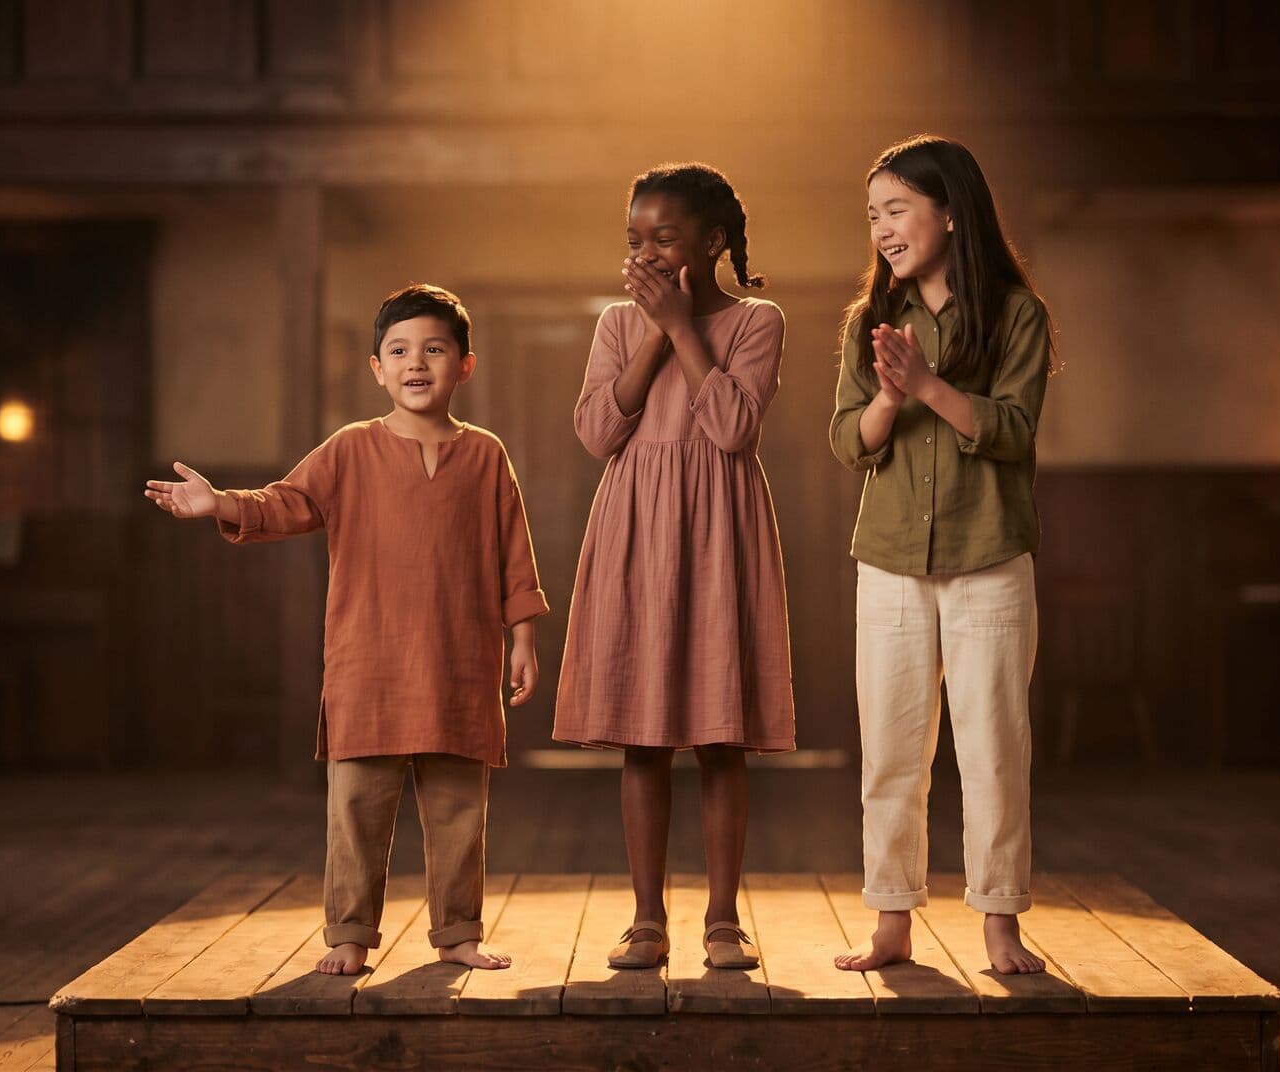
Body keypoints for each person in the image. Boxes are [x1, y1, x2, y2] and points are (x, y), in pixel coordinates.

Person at [144, 284, 548, 976]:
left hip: (460, 661)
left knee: (459, 810)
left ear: (465, 366)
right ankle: (350, 933)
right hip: (370, 661)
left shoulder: (486, 457)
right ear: (377, 369)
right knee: (357, 806)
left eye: (434, 350)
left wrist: (523, 640)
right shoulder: (351, 448)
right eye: (400, 351)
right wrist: (221, 503)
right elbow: (287, 502)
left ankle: (458, 933)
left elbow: (515, 551)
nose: (416, 363)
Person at [555, 163, 794, 971]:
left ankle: (724, 919)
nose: (648, 254)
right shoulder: (619, 326)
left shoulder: (758, 320)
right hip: (635, 527)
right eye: (635, 241)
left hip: (719, 527)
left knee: (720, 734)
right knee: (643, 736)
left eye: (666, 237)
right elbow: (595, 434)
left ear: (714, 241)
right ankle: (647, 918)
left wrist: (685, 327)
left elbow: (730, 429)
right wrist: (655, 329)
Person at [827, 134, 1057, 975]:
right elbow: (847, 439)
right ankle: (890, 922)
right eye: (874, 216)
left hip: (989, 558)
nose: (883, 229)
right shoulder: (869, 322)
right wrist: (890, 400)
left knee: (994, 747)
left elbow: (1015, 432)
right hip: (888, 560)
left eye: (898, 209)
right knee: (891, 749)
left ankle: (1001, 925)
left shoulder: (1016, 316)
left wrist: (928, 387)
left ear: (949, 211)